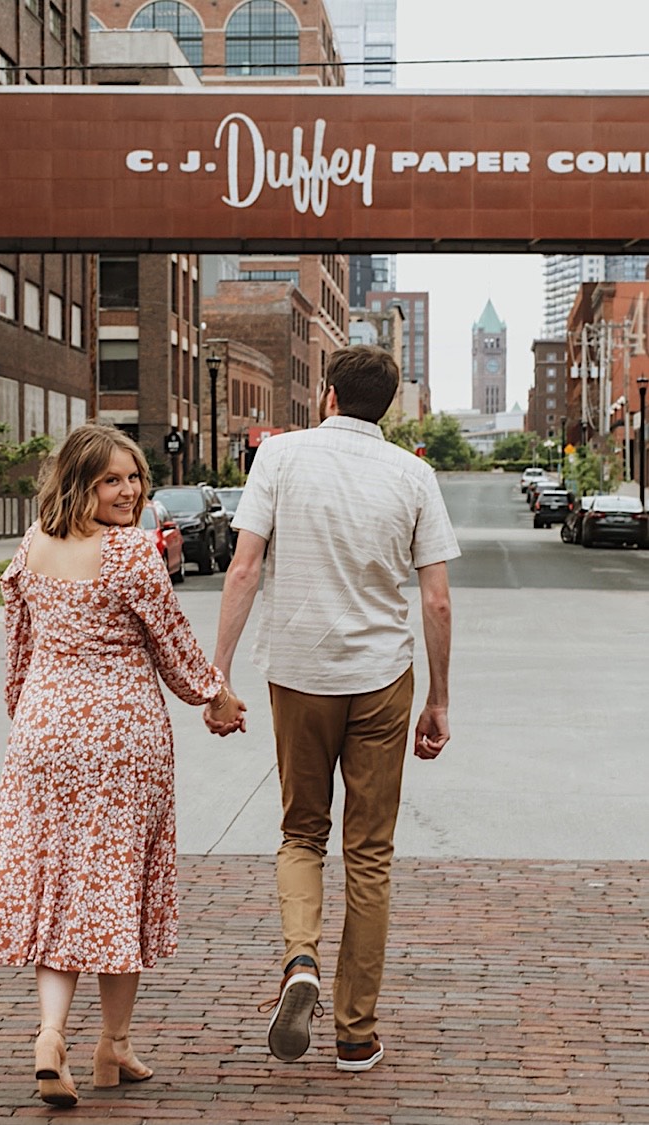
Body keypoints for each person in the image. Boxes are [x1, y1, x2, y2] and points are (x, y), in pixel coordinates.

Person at [0, 423, 246, 1108]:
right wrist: (217, 694)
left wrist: (33, 718)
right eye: (111, 479)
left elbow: (17, 655)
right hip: (122, 739)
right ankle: (107, 1042)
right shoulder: (129, 553)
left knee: (60, 883)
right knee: (115, 885)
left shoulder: (30, 547)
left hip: (43, 733)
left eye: (134, 477)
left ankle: (62, 1037)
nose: (128, 490)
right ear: (81, 483)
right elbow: (175, 646)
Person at [210, 344, 458, 1073]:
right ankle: (355, 1031)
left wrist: (217, 674)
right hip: (383, 676)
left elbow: (245, 566)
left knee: (301, 831)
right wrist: (439, 698)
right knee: (370, 852)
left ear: (326, 395)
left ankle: (299, 961)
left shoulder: (280, 460)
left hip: (298, 670)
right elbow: (437, 599)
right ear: (386, 403)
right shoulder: (415, 473)